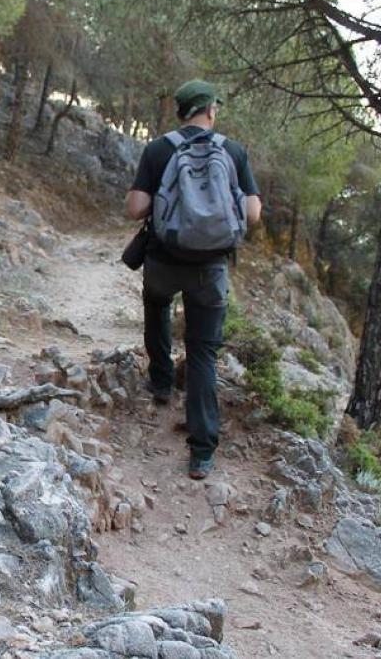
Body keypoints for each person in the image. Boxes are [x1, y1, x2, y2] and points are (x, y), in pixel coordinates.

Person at [124, 79, 262, 480]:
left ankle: (162, 381)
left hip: (164, 260)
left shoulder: (159, 149)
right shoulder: (233, 151)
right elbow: (252, 214)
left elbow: (136, 209)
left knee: (157, 303)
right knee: (203, 352)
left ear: (181, 111)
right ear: (211, 111)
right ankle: (202, 451)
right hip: (211, 268)